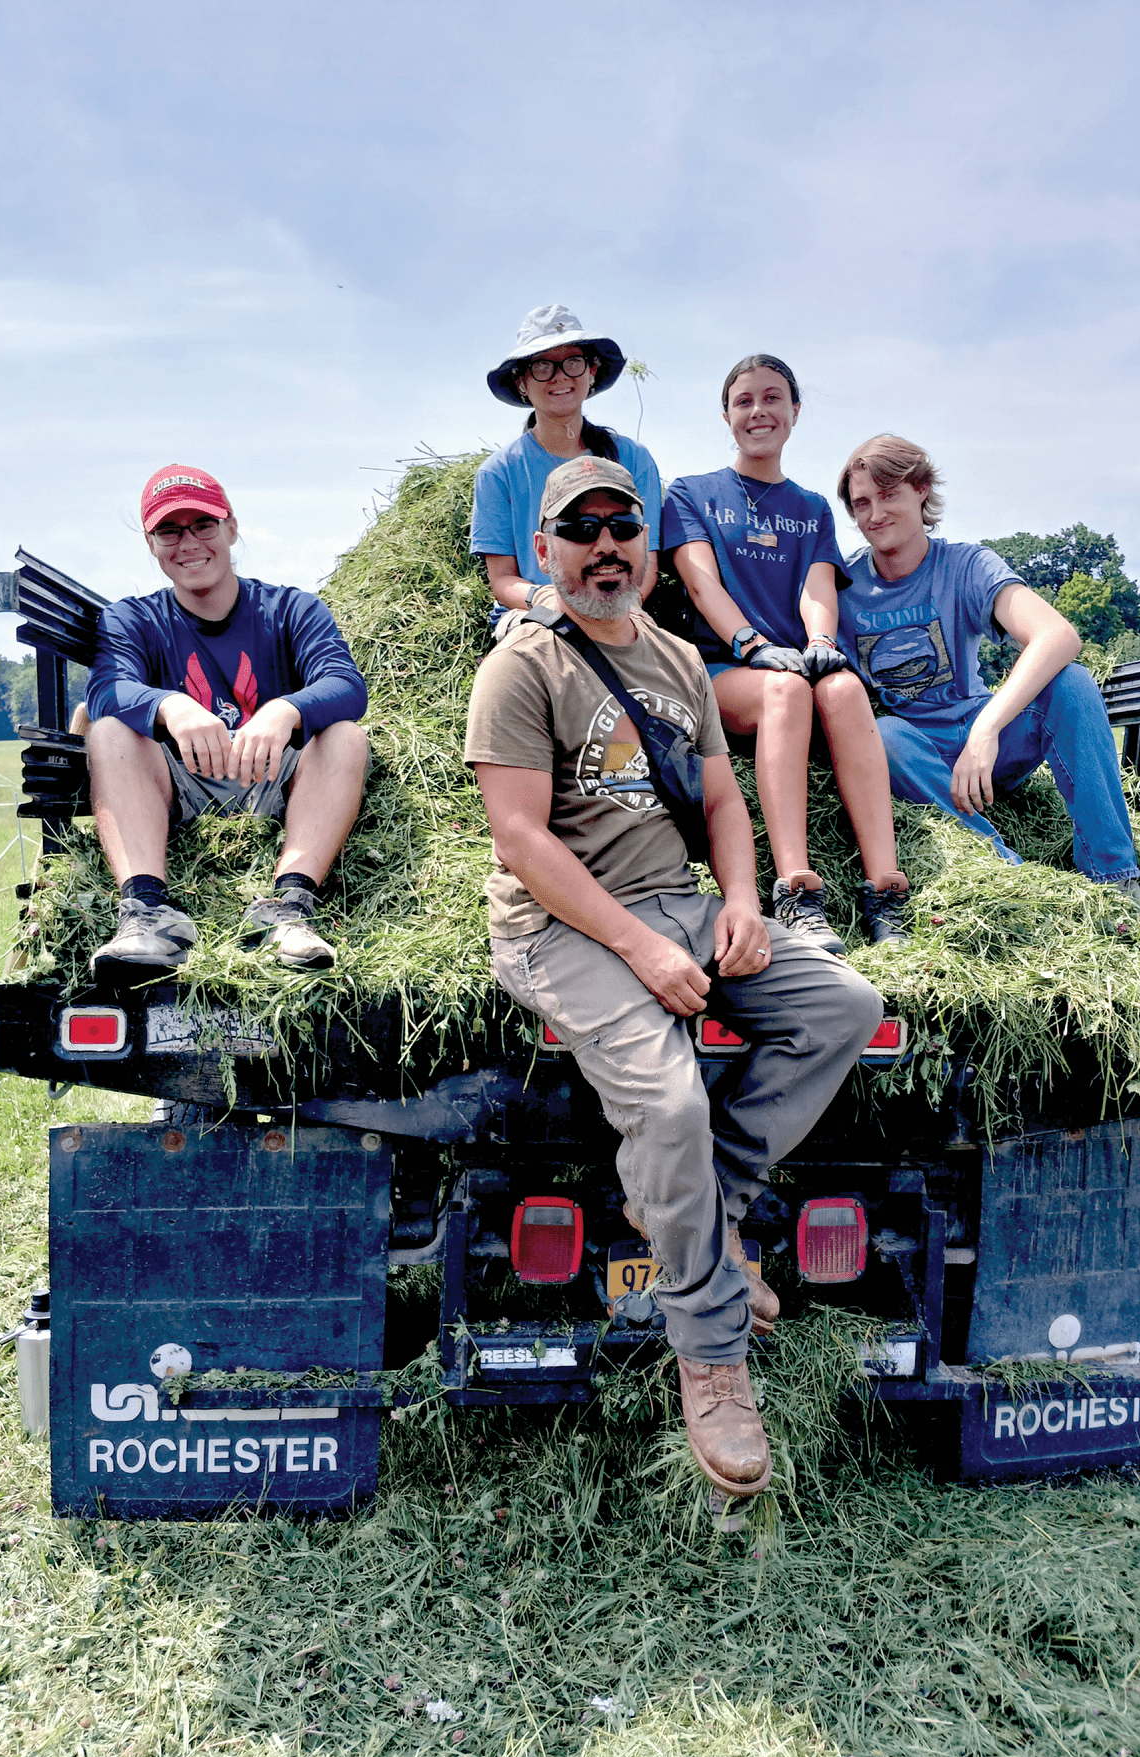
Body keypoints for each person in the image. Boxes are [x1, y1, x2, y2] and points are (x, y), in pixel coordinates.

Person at [464, 454, 883, 1502]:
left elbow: (722, 804)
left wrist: (738, 904)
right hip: (558, 925)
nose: (604, 547)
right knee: (664, 1097)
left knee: (841, 1005)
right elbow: (519, 838)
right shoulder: (521, 666)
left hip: (679, 905)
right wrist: (643, 949)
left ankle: (707, 1205)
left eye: (622, 528)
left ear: (643, 546)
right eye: (581, 530)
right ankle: (711, 1349)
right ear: (546, 551)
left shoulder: (675, 660)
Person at [82, 463, 371, 979]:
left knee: (346, 738)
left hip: (273, 777)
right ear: (151, 544)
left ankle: (289, 908)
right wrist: (169, 705)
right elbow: (106, 688)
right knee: (107, 731)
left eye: (203, 525)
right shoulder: (131, 619)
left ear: (231, 529)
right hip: (177, 784)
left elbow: (347, 686)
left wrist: (285, 710)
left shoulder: (291, 608)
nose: (188, 542)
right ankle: (146, 913)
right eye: (169, 530)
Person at [834, 435, 1140, 903]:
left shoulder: (966, 564)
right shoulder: (842, 583)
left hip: (987, 745)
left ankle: (1115, 877)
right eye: (862, 503)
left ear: (921, 488)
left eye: (888, 494)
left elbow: (1057, 635)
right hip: (916, 757)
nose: (875, 514)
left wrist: (985, 730)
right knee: (884, 736)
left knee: (1073, 682)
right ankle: (1013, 874)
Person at [661, 355, 910, 951]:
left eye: (773, 398)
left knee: (846, 688)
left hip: (796, 667)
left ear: (795, 411)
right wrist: (753, 644)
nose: (759, 411)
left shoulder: (812, 508)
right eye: (744, 401)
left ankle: (884, 890)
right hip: (724, 672)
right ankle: (797, 889)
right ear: (726, 415)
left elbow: (816, 588)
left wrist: (820, 640)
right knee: (786, 687)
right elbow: (701, 584)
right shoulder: (691, 493)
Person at [471, 304, 662, 632]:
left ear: (592, 371)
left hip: (616, 602)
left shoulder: (634, 459)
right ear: (521, 382)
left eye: (573, 362)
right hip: (531, 612)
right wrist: (552, 602)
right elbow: (502, 580)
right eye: (542, 366)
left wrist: (615, 610)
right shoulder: (498, 473)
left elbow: (647, 566)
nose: (559, 376)